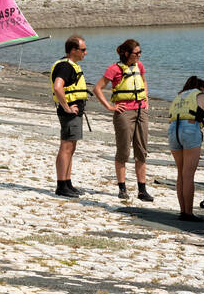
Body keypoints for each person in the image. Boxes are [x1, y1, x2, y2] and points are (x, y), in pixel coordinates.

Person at [92, 38, 153, 201]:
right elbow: (97, 88)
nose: (139, 55)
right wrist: (110, 107)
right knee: (123, 151)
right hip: (124, 113)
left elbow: (144, 82)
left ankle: (142, 190)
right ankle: (122, 188)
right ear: (126, 53)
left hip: (141, 112)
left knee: (141, 151)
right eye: (136, 53)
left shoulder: (139, 66)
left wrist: (145, 99)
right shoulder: (114, 69)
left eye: (140, 52)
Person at [166, 76, 204, 220]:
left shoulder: (179, 96)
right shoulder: (202, 96)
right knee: (188, 174)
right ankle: (188, 213)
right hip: (189, 129)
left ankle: (183, 211)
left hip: (172, 130)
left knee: (181, 173)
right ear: (202, 88)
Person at [50, 34, 89, 198]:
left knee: (71, 147)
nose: (85, 53)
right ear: (73, 50)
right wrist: (66, 108)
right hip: (69, 113)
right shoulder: (66, 66)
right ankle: (61, 185)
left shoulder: (70, 65)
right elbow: (58, 87)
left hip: (75, 112)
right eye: (83, 50)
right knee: (66, 147)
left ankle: (67, 183)